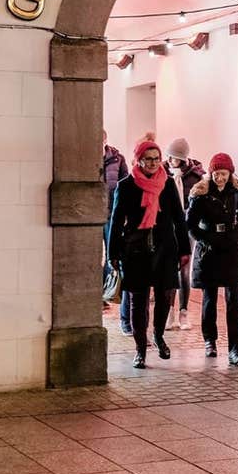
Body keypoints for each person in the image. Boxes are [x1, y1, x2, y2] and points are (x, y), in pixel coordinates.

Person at [107, 134, 190, 368]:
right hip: (135, 249)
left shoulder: (168, 183)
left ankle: (158, 334)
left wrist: (184, 250)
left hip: (165, 248)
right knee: (138, 301)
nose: (153, 163)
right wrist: (114, 253)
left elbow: (178, 219)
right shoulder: (126, 185)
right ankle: (140, 349)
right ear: (139, 160)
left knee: (165, 295)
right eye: (148, 159)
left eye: (156, 158)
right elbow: (116, 220)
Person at [187, 152, 238, 366]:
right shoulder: (201, 192)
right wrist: (207, 239)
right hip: (210, 251)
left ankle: (235, 349)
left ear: (230, 173)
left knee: (234, 301)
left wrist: (234, 238)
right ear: (211, 173)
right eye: (216, 174)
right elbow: (191, 224)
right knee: (209, 299)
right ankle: (210, 341)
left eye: (223, 174)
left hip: (231, 250)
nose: (220, 178)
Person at [165, 137, 204, 331]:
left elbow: (197, 203)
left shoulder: (195, 177)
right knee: (170, 271)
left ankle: (184, 311)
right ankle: (169, 313)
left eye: (175, 158)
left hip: (187, 228)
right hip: (168, 228)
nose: (172, 161)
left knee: (184, 272)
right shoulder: (163, 174)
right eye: (170, 157)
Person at [101, 131, 129, 328]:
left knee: (112, 254)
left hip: (112, 213)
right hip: (93, 214)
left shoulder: (117, 159)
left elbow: (125, 182)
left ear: (105, 140)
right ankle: (98, 294)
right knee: (94, 256)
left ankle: (108, 292)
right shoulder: (85, 157)